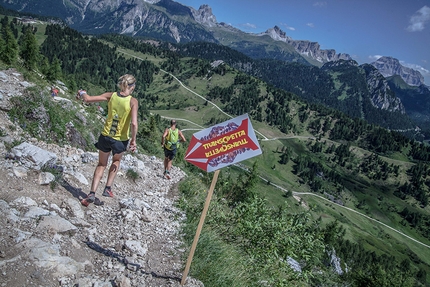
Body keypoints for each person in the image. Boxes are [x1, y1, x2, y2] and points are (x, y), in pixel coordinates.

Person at [79, 74, 138, 206]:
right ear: (132, 87)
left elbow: (88, 99)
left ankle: (92, 193)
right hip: (120, 139)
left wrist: (82, 92)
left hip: (105, 136)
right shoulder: (132, 101)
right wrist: (133, 140)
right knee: (116, 160)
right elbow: (134, 123)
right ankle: (108, 188)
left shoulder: (111, 95)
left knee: (101, 164)